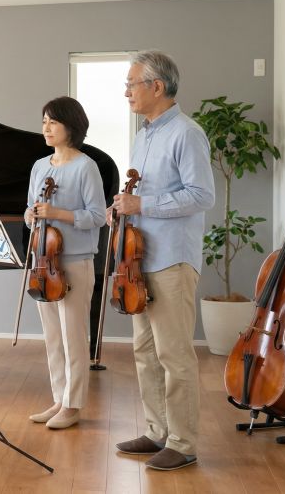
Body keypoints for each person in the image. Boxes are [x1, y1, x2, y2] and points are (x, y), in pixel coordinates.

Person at [111, 51, 214, 470]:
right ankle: (156, 432)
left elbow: (201, 195)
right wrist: (122, 207)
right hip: (139, 259)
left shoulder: (187, 133)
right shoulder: (144, 135)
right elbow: (140, 197)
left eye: (132, 83)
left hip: (172, 259)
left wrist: (144, 202)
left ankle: (183, 443)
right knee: (144, 351)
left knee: (174, 355)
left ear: (157, 86)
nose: (127, 91)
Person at [24, 97, 105, 430]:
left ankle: (73, 405)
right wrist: (32, 215)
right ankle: (59, 398)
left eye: (53, 122)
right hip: (44, 263)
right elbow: (31, 213)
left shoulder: (86, 167)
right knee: (52, 337)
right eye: (44, 121)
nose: (46, 128)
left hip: (74, 262)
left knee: (73, 336)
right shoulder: (40, 166)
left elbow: (98, 216)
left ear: (70, 126)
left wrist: (58, 213)